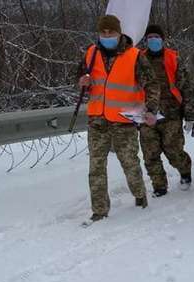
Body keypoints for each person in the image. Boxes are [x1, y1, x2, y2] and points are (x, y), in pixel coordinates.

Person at [77, 15, 161, 224]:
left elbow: (152, 84)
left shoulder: (134, 56)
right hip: (97, 120)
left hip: (124, 120)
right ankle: (99, 210)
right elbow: (80, 76)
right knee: (96, 167)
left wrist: (150, 109)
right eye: (103, 32)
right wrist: (82, 80)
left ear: (119, 33)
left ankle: (140, 195)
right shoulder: (91, 53)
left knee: (130, 164)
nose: (107, 36)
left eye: (111, 32)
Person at [139, 24, 194, 197]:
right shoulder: (138, 59)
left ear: (163, 39)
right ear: (146, 40)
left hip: (171, 113)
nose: (153, 40)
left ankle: (185, 172)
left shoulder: (173, 58)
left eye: (156, 37)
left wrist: (189, 115)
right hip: (147, 114)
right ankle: (159, 186)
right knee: (150, 153)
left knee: (173, 150)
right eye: (150, 37)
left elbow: (186, 88)